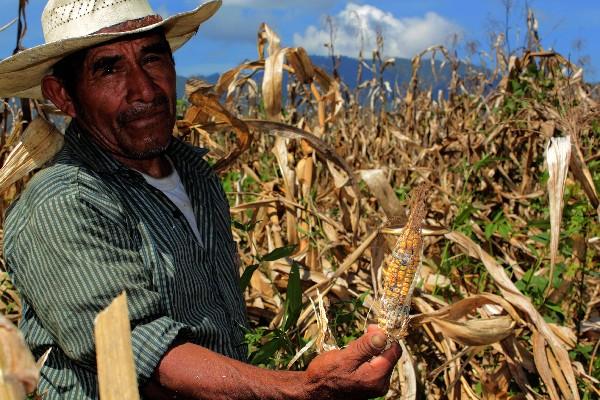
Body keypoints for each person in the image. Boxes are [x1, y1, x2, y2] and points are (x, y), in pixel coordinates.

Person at [0, 0, 401, 398]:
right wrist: (304, 389)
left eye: (152, 58)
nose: (144, 88)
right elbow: (145, 355)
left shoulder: (195, 174)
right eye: (109, 69)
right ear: (63, 95)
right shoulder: (63, 202)